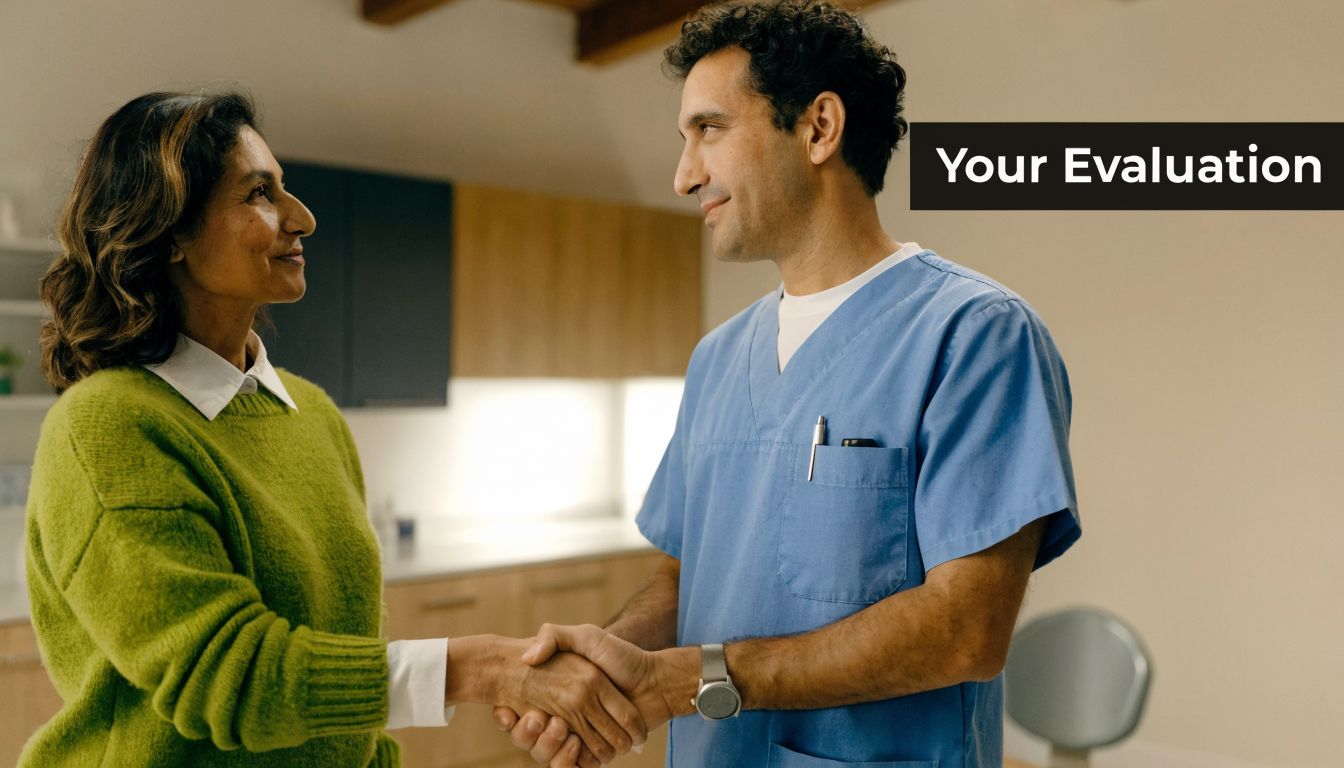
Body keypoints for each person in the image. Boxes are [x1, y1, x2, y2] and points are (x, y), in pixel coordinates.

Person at [497, 1, 1082, 766]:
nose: (682, 176)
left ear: (818, 128)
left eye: (708, 130)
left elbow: (967, 629)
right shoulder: (717, 357)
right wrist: (604, 667)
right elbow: (688, 574)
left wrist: (697, 678)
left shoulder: (974, 335)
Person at [22, 91, 642, 768]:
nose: (302, 218)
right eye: (259, 193)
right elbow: (242, 680)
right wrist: (487, 667)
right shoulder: (108, 426)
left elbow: (341, 697)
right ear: (168, 232)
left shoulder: (310, 414)